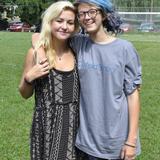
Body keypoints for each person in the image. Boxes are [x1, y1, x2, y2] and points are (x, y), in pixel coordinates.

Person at [32, 0, 142, 159]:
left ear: (103, 14)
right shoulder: (78, 43)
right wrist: (41, 51)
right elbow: (38, 35)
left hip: (116, 143)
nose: (87, 17)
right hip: (85, 143)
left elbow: (133, 96)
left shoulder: (125, 49)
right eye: (81, 13)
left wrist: (131, 142)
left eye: (92, 11)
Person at [19, 1, 81, 160]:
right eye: (59, 21)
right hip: (47, 125)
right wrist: (29, 78)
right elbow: (25, 94)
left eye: (70, 22)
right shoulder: (35, 53)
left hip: (74, 124)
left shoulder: (77, 51)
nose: (64, 26)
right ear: (50, 22)